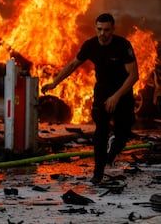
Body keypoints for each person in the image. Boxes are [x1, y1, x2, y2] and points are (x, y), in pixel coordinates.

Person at [41, 13, 139, 184]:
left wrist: (116, 96)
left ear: (113, 30)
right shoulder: (90, 45)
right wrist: (55, 82)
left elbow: (133, 76)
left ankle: (115, 146)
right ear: (96, 28)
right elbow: (73, 64)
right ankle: (98, 173)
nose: (103, 34)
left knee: (124, 131)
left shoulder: (122, 46)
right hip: (102, 94)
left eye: (107, 30)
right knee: (100, 134)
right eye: (100, 29)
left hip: (122, 94)